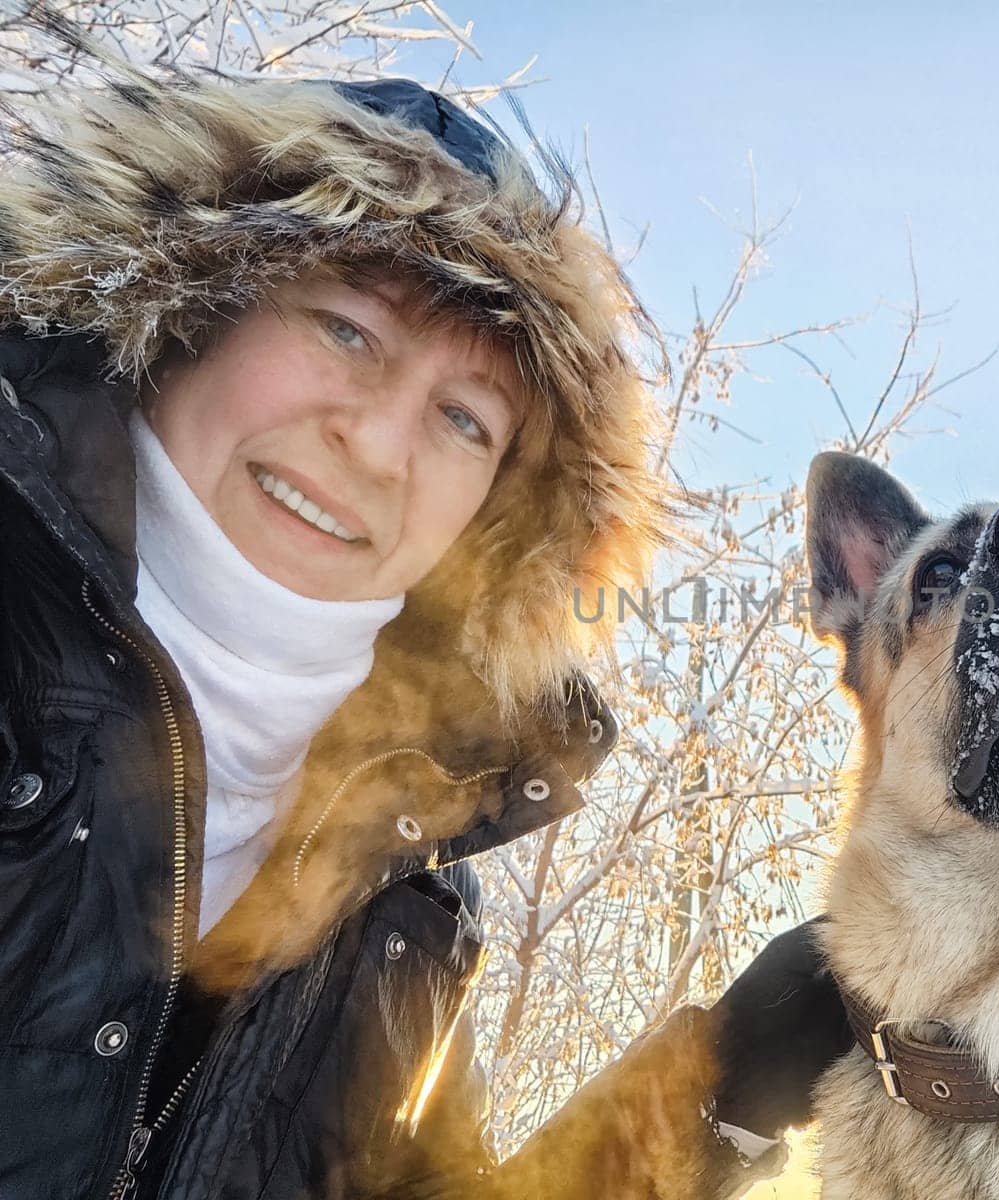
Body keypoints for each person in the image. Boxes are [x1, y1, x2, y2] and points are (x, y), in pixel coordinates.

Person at [0, 15, 851, 1200]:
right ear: (193, 303)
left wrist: (719, 1093)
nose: (381, 444)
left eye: (464, 419)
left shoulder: (404, 880)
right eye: (345, 329)